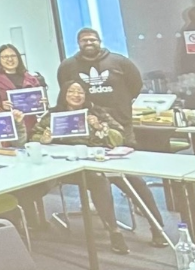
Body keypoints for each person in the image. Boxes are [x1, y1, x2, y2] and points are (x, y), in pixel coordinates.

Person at [34, 80, 168, 252]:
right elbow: (34, 137)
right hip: (69, 166)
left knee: (135, 181)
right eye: (71, 92)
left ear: (86, 95)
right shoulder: (53, 115)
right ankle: (114, 231)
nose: (76, 95)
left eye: (80, 92)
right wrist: (43, 139)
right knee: (99, 181)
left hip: (101, 160)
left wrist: (99, 127)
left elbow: (119, 136)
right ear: (64, 95)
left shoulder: (97, 112)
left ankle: (156, 226)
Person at [56, 28, 144, 142]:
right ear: (78, 43)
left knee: (127, 153)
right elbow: (65, 91)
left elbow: (136, 85)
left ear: (100, 41)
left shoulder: (120, 62)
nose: (88, 43)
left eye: (92, 40)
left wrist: (122, 103)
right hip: (86, 125)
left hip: (121, 120)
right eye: (84, 40)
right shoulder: (67, 66)